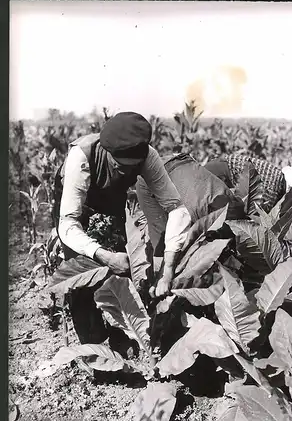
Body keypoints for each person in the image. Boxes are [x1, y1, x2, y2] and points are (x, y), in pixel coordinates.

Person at [52, 111, 192, 347]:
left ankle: (124, 341)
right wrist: (102, 255)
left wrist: (168, 270)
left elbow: (176, 208)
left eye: (132, 169)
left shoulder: (147, 156)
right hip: (77, 206)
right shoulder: (82, 157)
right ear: (108, 153)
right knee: (83, 276)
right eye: (119, 167)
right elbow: (68, 223)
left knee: (121, 271)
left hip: (110, 201)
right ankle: (94, 350)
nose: (126, 173)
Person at [135, 152, 247, 255]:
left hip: (181, 162)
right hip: (151, 177)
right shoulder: (192, 213)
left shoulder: (234, 203)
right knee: (162, 242)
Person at [204, 153, 292, 214]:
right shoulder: (276, 183)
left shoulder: (277, 175)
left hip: (218, 167)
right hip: (220, 174)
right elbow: (259, 211)